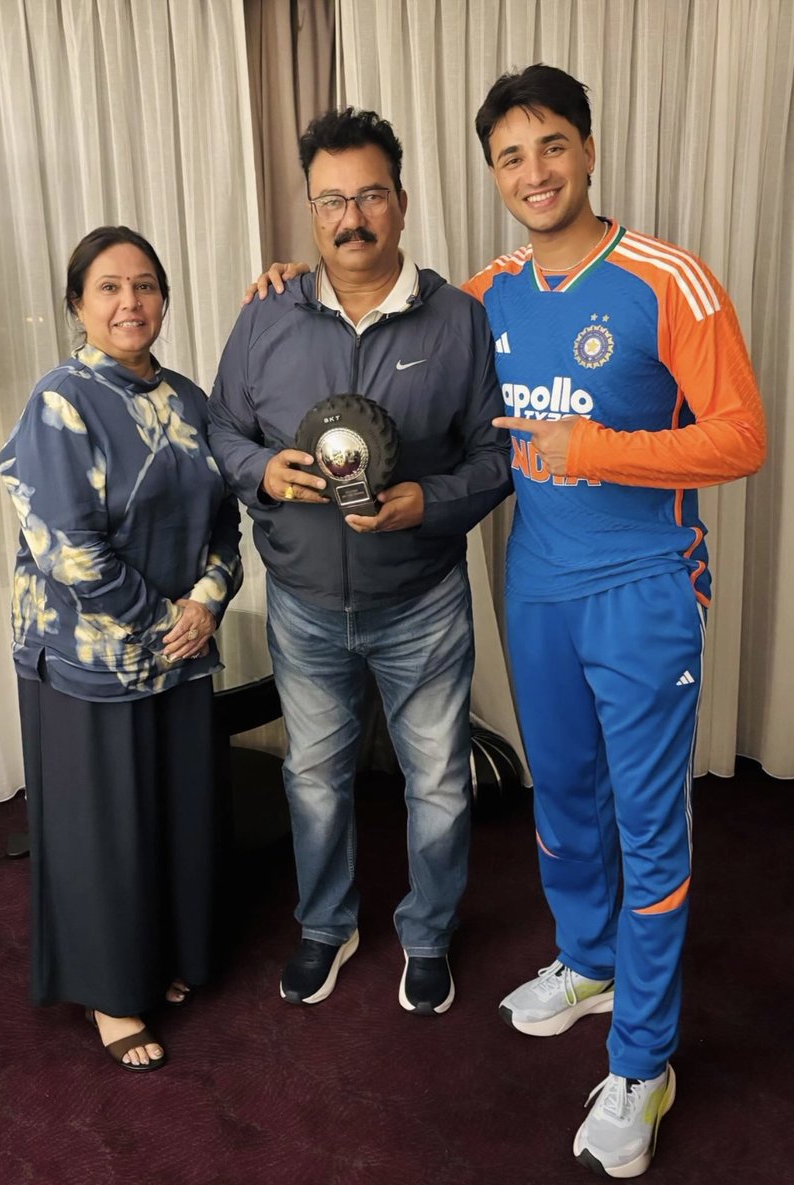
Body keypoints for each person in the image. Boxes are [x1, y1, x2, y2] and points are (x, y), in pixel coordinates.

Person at [464, 64, 766, 1177]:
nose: (533, 172)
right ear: (492, 173)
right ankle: (586, 960)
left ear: (587, 150)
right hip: (536, 583)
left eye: (550, 147)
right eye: (510, 156)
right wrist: (294, 286)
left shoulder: (664, 278)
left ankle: (645, 1059)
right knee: (566, 797)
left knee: (650, 826)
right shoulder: (488, 290)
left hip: (645, 586)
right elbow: (392, 341)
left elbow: (742, 437)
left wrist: (600, 451)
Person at [209, 108, 511, 1017]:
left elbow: (498, 458)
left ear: (403, 203)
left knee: (437, 782)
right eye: (331, 199)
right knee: (313, 776)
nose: (352, 217)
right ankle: (325, 925)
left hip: (419, 598)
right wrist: (264, 470)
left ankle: (427, 934)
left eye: (370, 194)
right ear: (309, 211)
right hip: (303, 600)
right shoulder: (267, 315)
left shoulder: (460, 319)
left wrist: (433, 499)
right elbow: (220, 429)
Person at [0, 226, 243, 1072]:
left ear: (164, 299)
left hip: (181, 644)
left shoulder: (187, 397)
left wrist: (206, 603)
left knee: (170, 811)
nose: (128, 303)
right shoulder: (60, 400)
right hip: (90, 660)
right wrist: (163, 616)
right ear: (77, 304)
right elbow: (70, 550)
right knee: (104, 826)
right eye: (108, 288)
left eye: (144, 286)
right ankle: (111, 990)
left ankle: (160, 955)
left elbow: (223, 521)